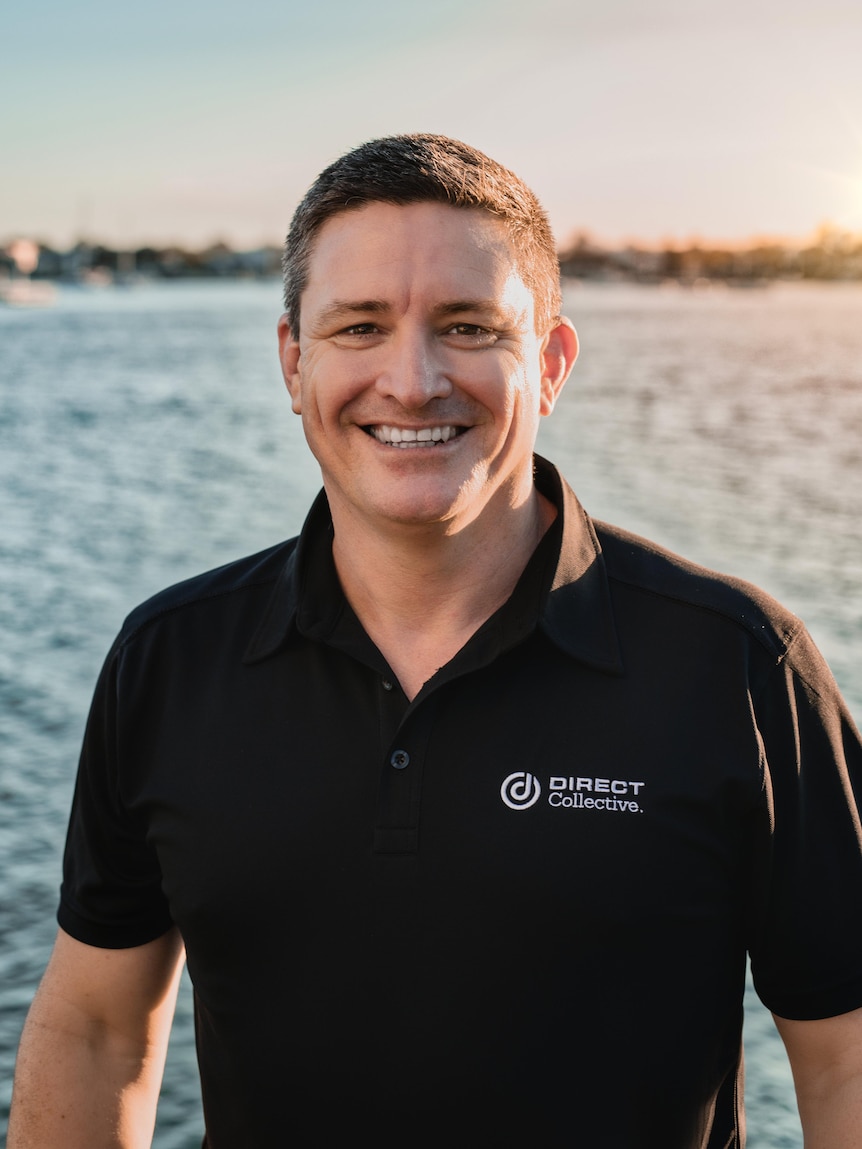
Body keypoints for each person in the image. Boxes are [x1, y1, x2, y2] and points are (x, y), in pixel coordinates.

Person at [8, 134, 862, 1148]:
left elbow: (846, 1054)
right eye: (360, 326)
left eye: (467, 328)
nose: (411, 382)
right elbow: (101, 1031)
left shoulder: (737, 667)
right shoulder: (170, 660)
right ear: (293, 361)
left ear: (547, 363)